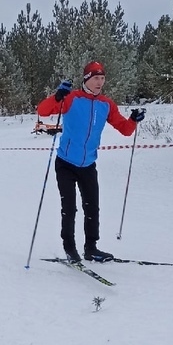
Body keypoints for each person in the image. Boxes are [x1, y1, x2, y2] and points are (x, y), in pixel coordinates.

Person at [37, 62, 145, 263]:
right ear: (86, 79)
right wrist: (57, 96)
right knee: (69, 208)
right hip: (66, 163)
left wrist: (133, 120)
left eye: (102, 78)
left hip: (88, 165)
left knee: (92, 207)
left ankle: (91, 248)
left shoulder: (106, 104)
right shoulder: (72, 98)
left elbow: (125, 129)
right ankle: (70, 248)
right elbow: (42, 111)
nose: (100, 82)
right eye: (96, 78)